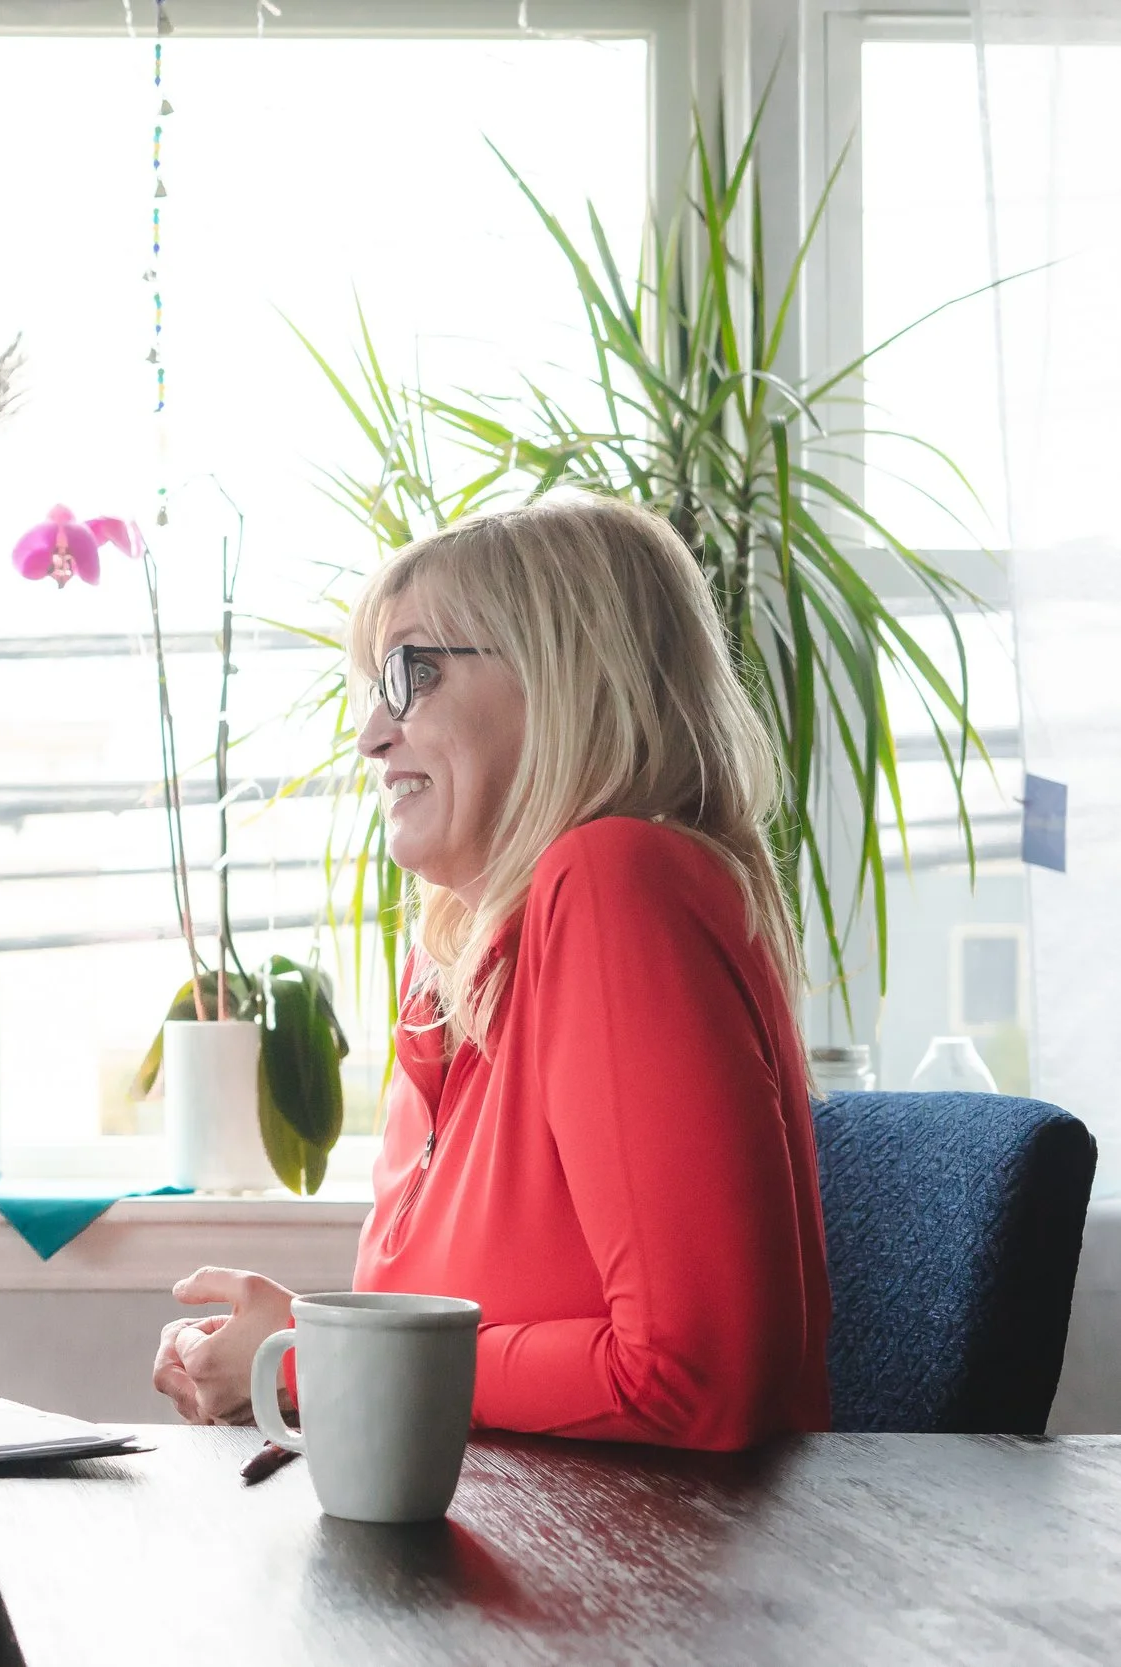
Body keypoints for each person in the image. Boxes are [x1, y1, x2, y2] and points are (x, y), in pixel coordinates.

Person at [151, 495, 831, 1451]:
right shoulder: (454, 971)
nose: (372, 736)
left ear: (567, 678)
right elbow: (464, 1362)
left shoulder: (614, 881)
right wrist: (283, 1351)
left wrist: (313, 1354)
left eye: (410, 673)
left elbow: (698, 1378)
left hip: (648, 1582)